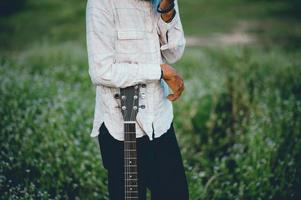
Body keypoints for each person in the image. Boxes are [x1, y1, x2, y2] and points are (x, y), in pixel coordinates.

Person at [86, 0, 188, 199]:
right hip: (120, 128)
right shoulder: (101, 3)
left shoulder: (165, 1)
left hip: (160, 122)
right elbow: (101, 71)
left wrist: (167, 11)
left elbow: (174, 53)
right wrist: (158, 71)